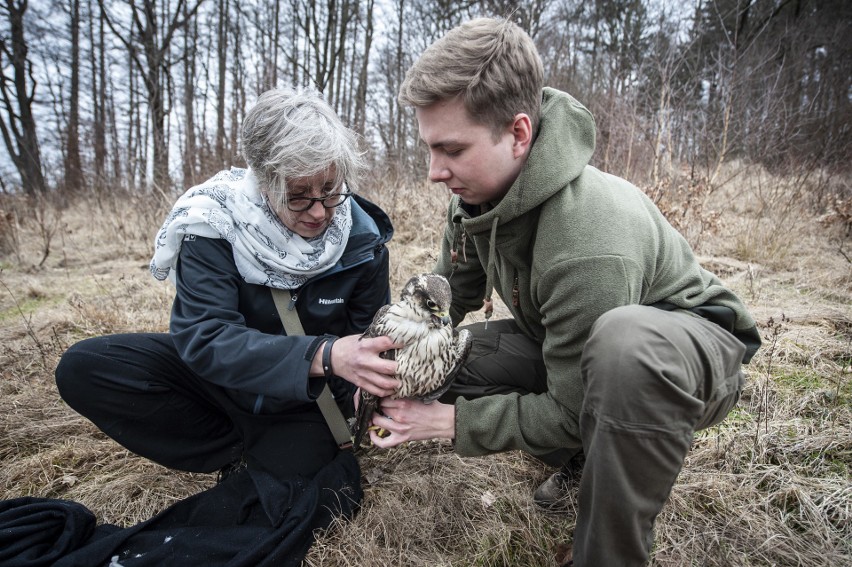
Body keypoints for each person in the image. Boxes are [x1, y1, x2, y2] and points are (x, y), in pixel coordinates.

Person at [367, 17, 762, 566]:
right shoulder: (476, 196)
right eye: (430, 149)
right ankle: (585, 459)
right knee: (462, 358)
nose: (435, 172)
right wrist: (374, 358)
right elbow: (444, 304)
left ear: (519, 133)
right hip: (583, 351)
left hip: (681, 359)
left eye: (451, 149)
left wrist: (448, 422)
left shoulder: (586, 240)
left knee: (621, 349)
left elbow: (577, 407)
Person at [55, 87, 399, 482]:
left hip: (304, 401)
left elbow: (364, 341)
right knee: (86, 367)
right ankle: (232, 450)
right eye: (299, 196)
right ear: (263, 181)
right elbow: (205, 337)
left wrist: (364, 392)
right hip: (223, 387)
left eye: (330, 190)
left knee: (309, 496)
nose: (320, 211)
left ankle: (276, 451)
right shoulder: (212, 223)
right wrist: (324, 354)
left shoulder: (361, 241)